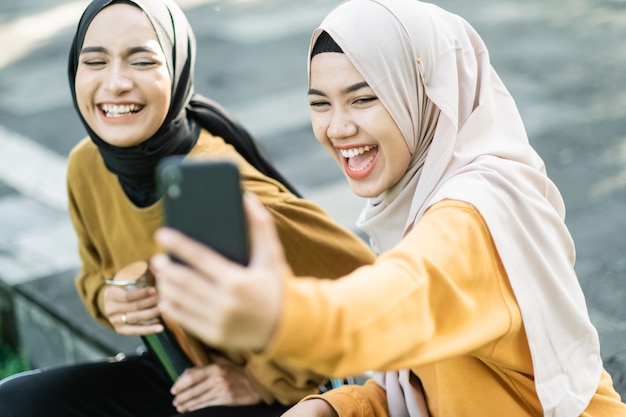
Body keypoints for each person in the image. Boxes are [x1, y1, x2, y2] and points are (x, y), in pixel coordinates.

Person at [151, 0, 626, 416]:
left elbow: (393, 304)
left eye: (363, 98)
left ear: (425, 95)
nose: (337, 128)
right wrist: (334, 408)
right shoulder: (418, 199)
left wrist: (279, 314)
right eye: (321, 104)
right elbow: (432, 384)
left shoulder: (478, 216)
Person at [0, 0, 377, 416]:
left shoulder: (227, 190)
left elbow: (369, 293)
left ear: (177, 70)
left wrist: (261, 379)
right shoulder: (87, 165)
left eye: (142, 61)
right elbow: (94, 271)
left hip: (270, 395)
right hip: (175, 372)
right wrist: (108, 298)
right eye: (95, 62)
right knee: (17, 403)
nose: (116, 83)